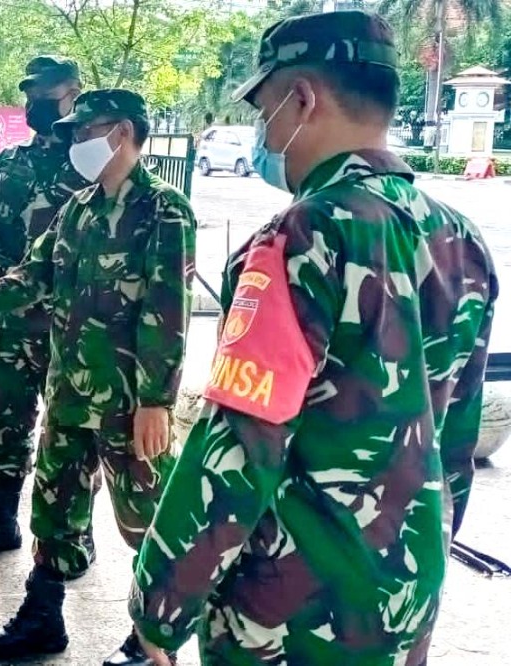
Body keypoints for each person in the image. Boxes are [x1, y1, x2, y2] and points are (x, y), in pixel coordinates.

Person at [127, 11, 500, 666]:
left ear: (301, 98)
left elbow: (242, 442)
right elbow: (456, 440)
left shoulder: (302, 236)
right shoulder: (462, 240)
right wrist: (425, 557)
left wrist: (160, 604)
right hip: (403, 597)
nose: (265, 132)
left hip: (291, 611)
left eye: (265, 108)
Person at [0, 89, 197, 664]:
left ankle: (150, 637)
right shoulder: (80, 208)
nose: (73, 143)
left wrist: (156, 401)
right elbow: (32, 277)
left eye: (83, 131)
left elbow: (167, 311)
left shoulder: (164, 211)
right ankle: (42, 617)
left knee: (146, 519)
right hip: (70, 392)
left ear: (120, 132)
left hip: (128, 400)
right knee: (54, 507)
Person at [0, 54, 86, 564]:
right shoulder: (10, 162)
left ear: (73, 93)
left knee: (73, 430)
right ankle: (2, 522)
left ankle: (73, 533)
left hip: (72, 324)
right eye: (30, 95)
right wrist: (3, 273)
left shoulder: (90, 164)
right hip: (10, 318)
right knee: (8, 424)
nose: (36, 104)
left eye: (47, 95)